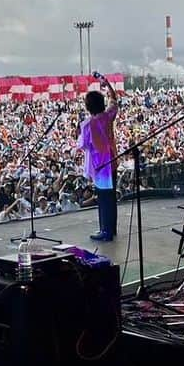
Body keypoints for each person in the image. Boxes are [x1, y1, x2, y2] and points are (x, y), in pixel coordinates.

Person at [79, 76, 120, 242]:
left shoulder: (88, 124)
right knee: (111, 197)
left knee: (103, 198)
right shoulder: (108, 116)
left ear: (88, 107)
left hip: (100, 165)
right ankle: (112, 228)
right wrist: (108, 84)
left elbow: (84, 144)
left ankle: (105, 231)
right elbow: (114, 100)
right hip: (112, 159)